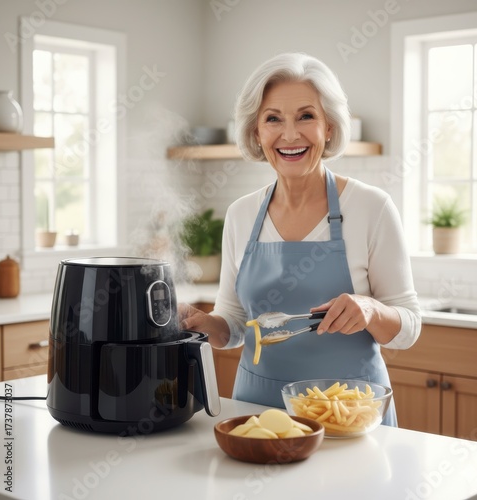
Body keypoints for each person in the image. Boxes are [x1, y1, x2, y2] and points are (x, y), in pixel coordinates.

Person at [179, 52, 421, 426]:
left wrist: (370, 310)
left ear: (328, 127)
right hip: (257, 413)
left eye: (306, 116)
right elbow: (235, 323)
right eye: (273, 119)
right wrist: (205, 324)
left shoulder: (371, 207)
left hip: (348, 416)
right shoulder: (242, 214)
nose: (290, 135)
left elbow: (407, 328)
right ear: (256, 133)